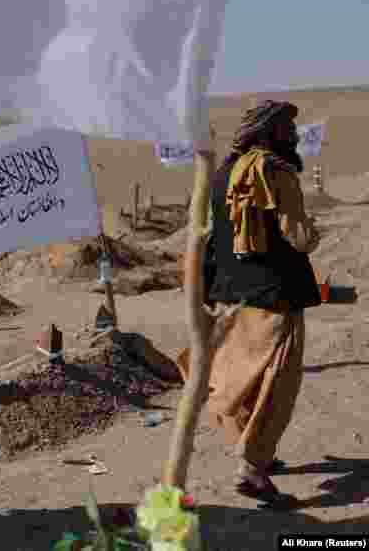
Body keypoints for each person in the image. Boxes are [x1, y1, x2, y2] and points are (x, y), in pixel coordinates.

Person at [177, 100, 321, 505]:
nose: (294, 135)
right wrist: (315, 233)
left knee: (239, 379)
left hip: (229, 294)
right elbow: (298, 237)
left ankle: (255, 450)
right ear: (272, 131)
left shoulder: (222, 173)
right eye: (288, 128)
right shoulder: (275, 170)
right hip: (275, 294)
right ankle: (252, 470)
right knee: (277, 384)